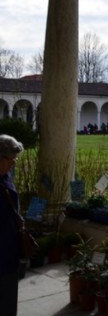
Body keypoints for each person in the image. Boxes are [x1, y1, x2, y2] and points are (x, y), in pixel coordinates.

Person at [0, 134, 25, 316]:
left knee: (8, 299)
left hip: (8, 248)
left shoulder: (6, 175)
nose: (14, 162)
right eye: (11, 159)